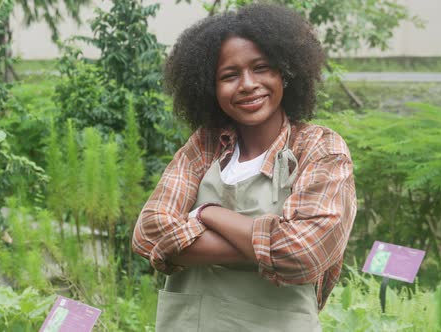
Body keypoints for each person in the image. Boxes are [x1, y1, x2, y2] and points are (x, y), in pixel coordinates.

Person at [132, 3, 356, 331]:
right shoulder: (204, 145)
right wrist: (266, 246)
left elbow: (304, 253)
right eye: (229, 75)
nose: (248, 84)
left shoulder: (319, 148)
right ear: (210, 87)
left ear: (286, 71)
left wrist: (209, 215)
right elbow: (148, 234)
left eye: (261, 67)